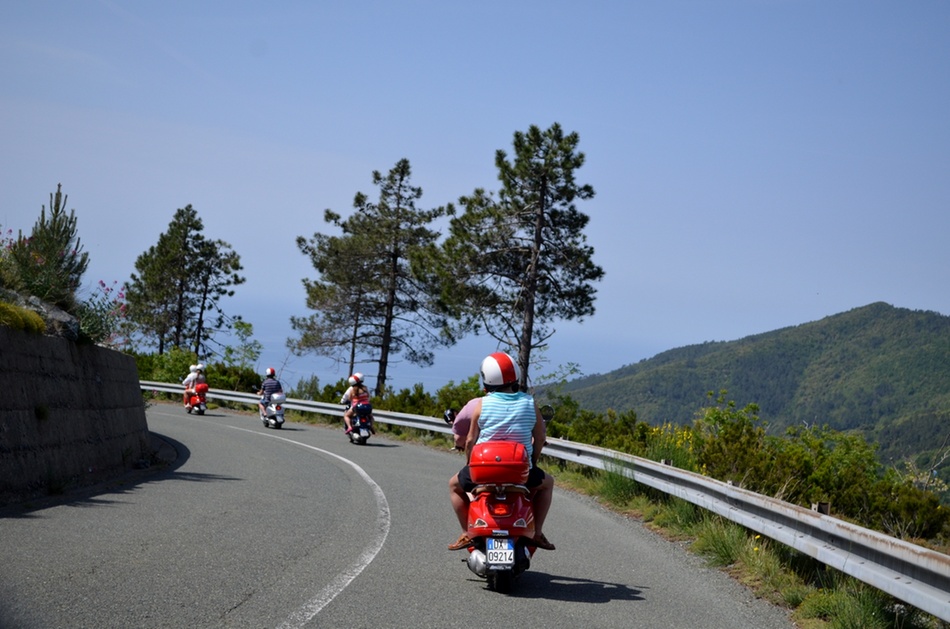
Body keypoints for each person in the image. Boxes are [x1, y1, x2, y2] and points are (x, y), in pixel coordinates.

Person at [447, 352, 556, 551]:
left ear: (487, 381)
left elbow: (470, 440)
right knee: (548, 484)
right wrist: (532, 461)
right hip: (520, 472)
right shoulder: (530, 403)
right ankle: (537, 533)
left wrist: (470, 464)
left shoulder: (482, 404)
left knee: (454, 486)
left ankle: (466, 533)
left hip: (484, 470)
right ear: (516, 377)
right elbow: (540, 438)